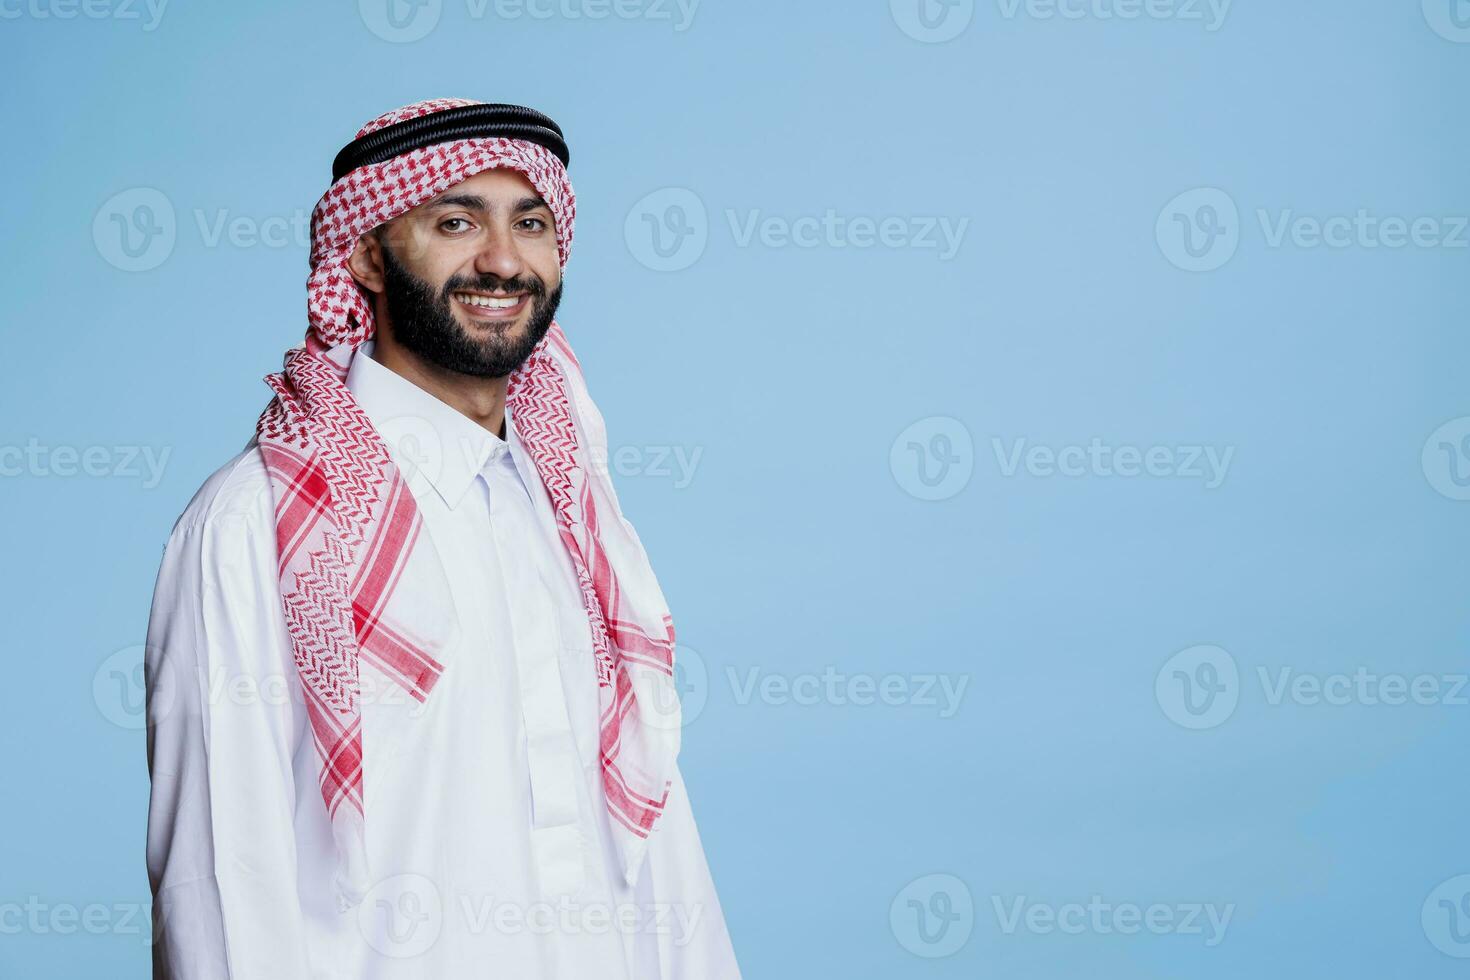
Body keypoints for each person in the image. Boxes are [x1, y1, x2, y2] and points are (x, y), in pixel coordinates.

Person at [142, 98, 741, 979]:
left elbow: (649, 845)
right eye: (456, 220)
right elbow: (219, 883)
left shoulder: (572, 516)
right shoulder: (256, 525)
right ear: (367, 256)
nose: (502, 260)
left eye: (529, 223)